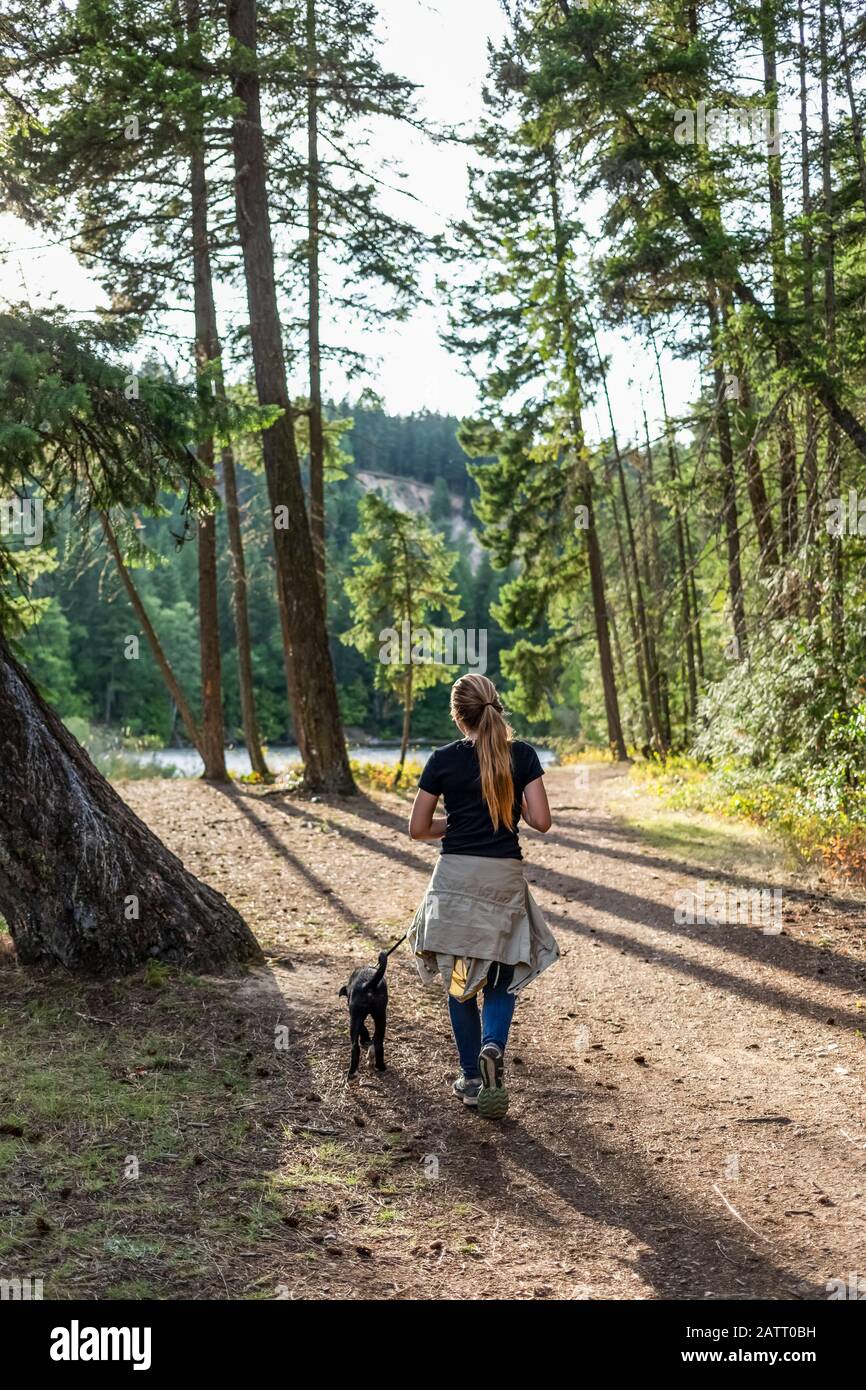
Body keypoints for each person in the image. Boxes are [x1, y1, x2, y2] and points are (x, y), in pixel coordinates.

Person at [407, 673, 559, 1119]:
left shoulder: (441, 760)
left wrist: (455, 825)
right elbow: (542, 820)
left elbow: (417, 829)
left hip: (455, 878)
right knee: (502, 970)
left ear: (458, 717)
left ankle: (472, 1077)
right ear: (496, 707)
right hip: (502, 877)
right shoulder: (523, 756)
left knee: (460, 983)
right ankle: (493, 1045)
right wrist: (507, 812)